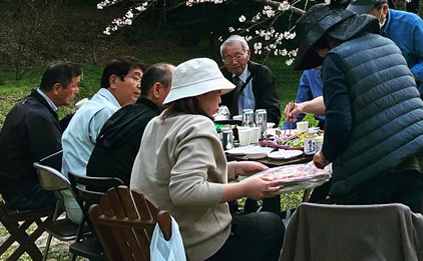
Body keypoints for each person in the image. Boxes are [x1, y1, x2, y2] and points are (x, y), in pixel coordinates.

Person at [293, 4, 423, 239]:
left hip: (375, 168)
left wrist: (325, 155)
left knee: (371, 244)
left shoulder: (336, 58)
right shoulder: (387, 44)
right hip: (416, 157)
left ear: (325, 41)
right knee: (405, 239)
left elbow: (339, 121)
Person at [131, 58, 284, 261]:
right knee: (271, 224)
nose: (220, 100)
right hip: (193, 243)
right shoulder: (197, 125)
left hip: (155, 238)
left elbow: (168, 171)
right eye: (217, 93)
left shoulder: (157, 122)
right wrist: (245, 188)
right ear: (202, 94)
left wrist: (234, 168)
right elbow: (186, 192)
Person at [347, 0, 423, 119]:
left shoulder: (410, 23)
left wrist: (406, 78)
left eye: (365, 15)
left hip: (415, 98)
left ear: (384, 10)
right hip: (376, 102)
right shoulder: (354, 29)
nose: (359, 20)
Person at [0, 62, 81, 209]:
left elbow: (49, 134)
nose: (77, 91)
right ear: (57, 88)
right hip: (25, 194)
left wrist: (74, 117)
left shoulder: (32, 105)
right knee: (90, 193)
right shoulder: (37, 116)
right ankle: (83, 230)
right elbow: (56, 163)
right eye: (75, 85)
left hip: (14, 187)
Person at [87, 63, 175, 186]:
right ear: (157, 90)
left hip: (95, 198)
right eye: (176, 88)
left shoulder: (125, 112)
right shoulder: (154, 123)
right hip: (121, 201)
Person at [62, 56, 144, 177]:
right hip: (89, 189)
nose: (140, 85)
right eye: (136, 78)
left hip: (77, 183)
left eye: (142, 81)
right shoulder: (106, 112)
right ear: (113, 81)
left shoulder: (95, 104)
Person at [218, 35, 281, 124]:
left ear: (248, 54)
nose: (234, 62)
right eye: (228, 58)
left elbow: (272, 111)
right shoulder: (221, 76)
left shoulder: (261, 74)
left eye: (238, 56)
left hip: (256, 127)